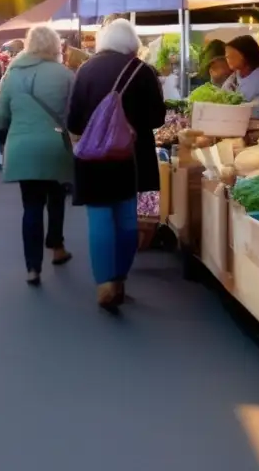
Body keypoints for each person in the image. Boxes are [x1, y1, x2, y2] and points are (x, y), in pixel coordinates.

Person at [67, 19, 166, 311]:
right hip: (134, 158)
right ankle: (121, 276)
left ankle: (105, 283)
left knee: (99, 218)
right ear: (132, 43)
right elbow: (158, 119)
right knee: (127, 220)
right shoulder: (143, 70)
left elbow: (73, 120)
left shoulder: (85, 70)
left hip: (94, 158)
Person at [0, 25, 75, 285]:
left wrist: (8, 142)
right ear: (55, 46)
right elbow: (76, 114)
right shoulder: (64, 74)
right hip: (55, 146)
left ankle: (32, 267)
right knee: (56, 196)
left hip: (22, 147)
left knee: (31, 206)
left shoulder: (11, 74)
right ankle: (57, 247)